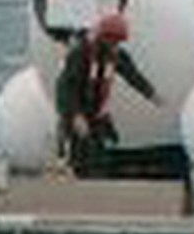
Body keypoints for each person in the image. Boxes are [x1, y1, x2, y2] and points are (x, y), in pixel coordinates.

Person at [55, 10, 158, 173]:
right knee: (80, 152)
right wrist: (75, 115)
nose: (115, 45)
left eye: (118, 42)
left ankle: (96, 176)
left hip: (95, 111)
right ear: (103, 37)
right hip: (75, 108)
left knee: (100, 153)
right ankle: (73, 166)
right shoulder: (80, 53)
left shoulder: (115, 55)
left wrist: (152, 95)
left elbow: (133, 75)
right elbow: (66, 88)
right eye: (113, 40)